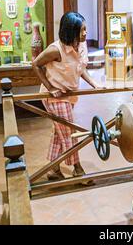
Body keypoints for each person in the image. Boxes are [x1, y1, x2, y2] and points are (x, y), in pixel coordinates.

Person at [33, 12, 101, 182]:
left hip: (69, 95)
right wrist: (50, 87)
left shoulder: (81, 45)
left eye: (85, 29)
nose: (86, 33)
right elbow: (35, 64)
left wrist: (94, 82)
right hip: (55, 97)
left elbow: (80, 67)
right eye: (81, 30)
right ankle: (78, 169)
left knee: (59, 132)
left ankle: (54, 169)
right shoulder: (56, 50)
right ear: (70, 31)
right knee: (69, 132)